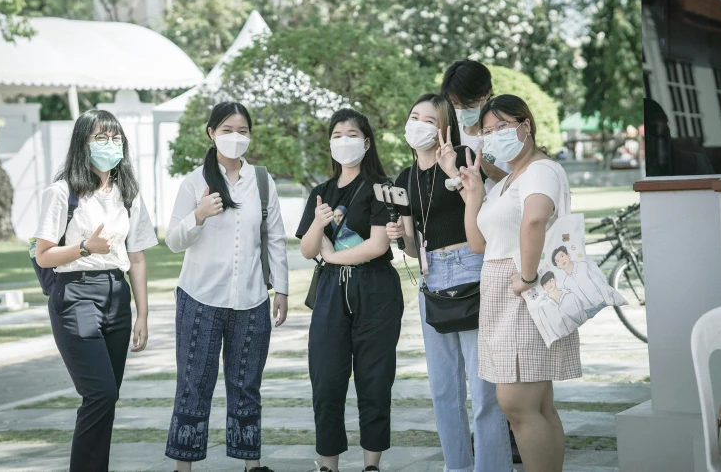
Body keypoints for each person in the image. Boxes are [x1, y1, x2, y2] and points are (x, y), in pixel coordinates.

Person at [386, 93, 514, 472]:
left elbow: (485, 205)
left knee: (483, 388)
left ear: (444, 126)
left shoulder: (462, 157)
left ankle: (492, 467)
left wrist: (450, 171)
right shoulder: (404, 178)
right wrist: (400, 234)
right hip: (432, 276)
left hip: (472, 267)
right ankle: (457, 466)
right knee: (444, 389)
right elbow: (411, 248)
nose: (418, 125)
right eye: (414, 117)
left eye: (428, 120)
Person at [164, 102, 289, 472]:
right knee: (193, 385)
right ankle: (183, 467)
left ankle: (252, 465)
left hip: (251, 300)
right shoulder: (193, 182)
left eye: (243, 131)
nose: (235, 138)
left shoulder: (262, 181)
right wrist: (198, 216)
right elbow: (173, 240)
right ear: (211, 133)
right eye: (227, 130)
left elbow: (276, 239)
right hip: (199, 299)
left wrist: (281, 289)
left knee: (247, 385)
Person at [460, 94, 582, 472]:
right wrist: (475, 195)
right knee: (537, 405)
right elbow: (480, 243)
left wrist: (526, 278)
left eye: (503, 126)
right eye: (487, 131)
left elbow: (535, 220)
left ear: (525, 125)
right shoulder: (509, 179)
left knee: (516, 403)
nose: (495, 135)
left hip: (523, 292)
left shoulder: (540, 170)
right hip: (503, 293)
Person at [34, 109, 158, 472]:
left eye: (116, 138)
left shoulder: (128, 194)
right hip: (75, 295)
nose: (110, 145)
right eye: (100, 138)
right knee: (99, 393)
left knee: (108, 398)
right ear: (82, 144)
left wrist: (143, 314)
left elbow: (136, 258)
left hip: (116, 296)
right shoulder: (61, 193)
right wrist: (85, 247)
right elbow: (43, 255)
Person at [296, 108, 404, 472]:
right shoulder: (322, 192)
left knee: (375, 381)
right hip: (330, 294)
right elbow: (308, 249)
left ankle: (371, 464)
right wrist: (318, 225)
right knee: (326, 382)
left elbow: (376, 246)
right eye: (337, 135)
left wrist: (332, 255)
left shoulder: (382, 187)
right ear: (329, 143)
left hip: (375, 290)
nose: (344, 141)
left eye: (352, 134)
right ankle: (329, 465)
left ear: (367, 141)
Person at [441, 59, 510, 192]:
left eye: (468, 102)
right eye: (455, 103)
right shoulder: (450, 135)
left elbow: (523, 185)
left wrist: (490, 171)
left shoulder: (507, 132)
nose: (461, 109)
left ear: (486, 93)